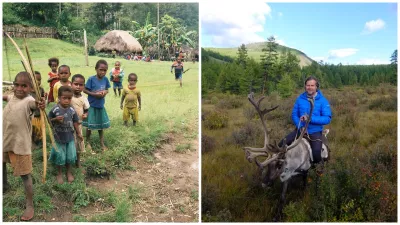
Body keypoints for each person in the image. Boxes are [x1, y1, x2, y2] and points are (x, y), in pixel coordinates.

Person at [3, 72, 45, 221]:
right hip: (6, 140)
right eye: (17, 85)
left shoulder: (29, 101)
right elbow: (6, 97)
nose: (19, 88)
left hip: (21, 145)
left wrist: (41, 104)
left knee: (25, 174)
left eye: (24, 86)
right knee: (2, 163)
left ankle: (30, 204)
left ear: (31, 88)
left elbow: (36, 105)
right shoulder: (12, 96)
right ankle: (4, 185)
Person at [280, 76, 331, 170]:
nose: (310, 87)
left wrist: (310, 118)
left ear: (316, 87)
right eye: (308, 85)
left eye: (312, 85)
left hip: (315, 132)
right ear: (305, 86)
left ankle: (318, 171)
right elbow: (294, 114)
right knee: (281, 145)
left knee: (316, 153)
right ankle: (280, 168)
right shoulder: (300, 99)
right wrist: (300, 126)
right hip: (300, 130)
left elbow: (327, 118)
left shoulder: (323, 101)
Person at [48, 86, 83, 184]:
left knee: (70, 156)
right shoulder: (55, 109)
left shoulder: (72, 110)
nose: (67, 100)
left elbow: (75, 121)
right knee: (60, 155)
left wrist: (79, 133)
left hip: (70, 137)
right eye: (64, 98)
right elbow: (48, 120)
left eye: (69, 98)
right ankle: (59, 173)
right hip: (58, 138)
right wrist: (55, 119)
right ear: (59, 98)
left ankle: (68, 172)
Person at [83, 59, 111, 151]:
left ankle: (102, 143)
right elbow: (85, 90)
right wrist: (94, 94)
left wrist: (104, 92)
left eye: (105, 70)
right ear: (96, 69)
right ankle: (88, 142)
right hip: (91, 106)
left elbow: (107, 89)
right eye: (101, 69)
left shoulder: (105, 79)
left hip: (100, 106)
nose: (103, 72)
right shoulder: (91, 79)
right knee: (89, 126)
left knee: (101, 125)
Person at [71, 74, 90, 167]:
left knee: (79, 143)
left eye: (81, 85)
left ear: (84, 86)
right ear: (71, 84)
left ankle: (78, 162)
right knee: (71, 143)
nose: (78, 87)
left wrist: (85, 114)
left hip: (79, 124)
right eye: (76, 84)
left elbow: (87, 109)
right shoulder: (69, 97)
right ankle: (69, 161)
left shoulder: (84, 98)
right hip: (68, 125)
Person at [31, 71, 47, 148]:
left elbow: (43, 99)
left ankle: (40, 142)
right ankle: (32, 142)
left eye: (39, 80)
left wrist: (45, 98)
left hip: (39, 114)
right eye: (36, 80)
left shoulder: (41, 90)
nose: (38, 82)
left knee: (39, 130)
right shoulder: (28, 92)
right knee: (32, 130)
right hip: (31, 115)